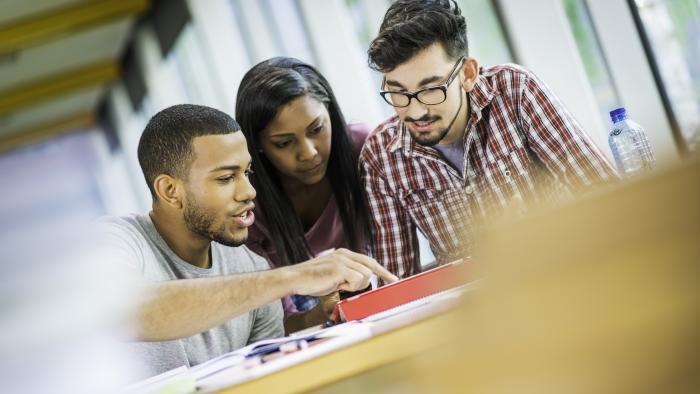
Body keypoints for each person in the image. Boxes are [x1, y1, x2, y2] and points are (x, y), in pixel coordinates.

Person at [98, 104, 396, 378]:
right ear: (170, 190)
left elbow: (271, 375)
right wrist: (292, 277)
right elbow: (127, 311)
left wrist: (324, 314)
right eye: (226, 178)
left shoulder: (250, 264)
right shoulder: (116, 240)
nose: (249, 191)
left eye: (247, 172)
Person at [360, 0, 618, 278]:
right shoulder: (380, 156)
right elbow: (396, 287)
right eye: (398, 92)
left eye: (431, 89)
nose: (415, 111)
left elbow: (607, 199)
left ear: (468, 74)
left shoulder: (515, 90)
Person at [235, 57, 372, 332]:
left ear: (330, 113)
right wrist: (322, 312)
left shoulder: (362, 148)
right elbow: (276, 324)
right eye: (284, 143)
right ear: (257, 145)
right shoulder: (247, 202)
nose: (308, 153)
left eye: (317, 129)